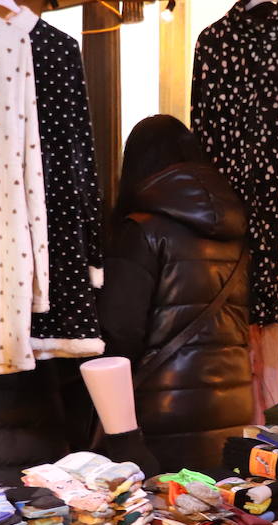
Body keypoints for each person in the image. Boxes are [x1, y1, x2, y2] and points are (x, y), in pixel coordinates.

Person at [96, 115, 254, 471]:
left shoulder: (141, 231)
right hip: (232, 400)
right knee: (212, 515)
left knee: (159, 517)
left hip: (160, 405)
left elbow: (120, 329)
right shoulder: (236, 229)